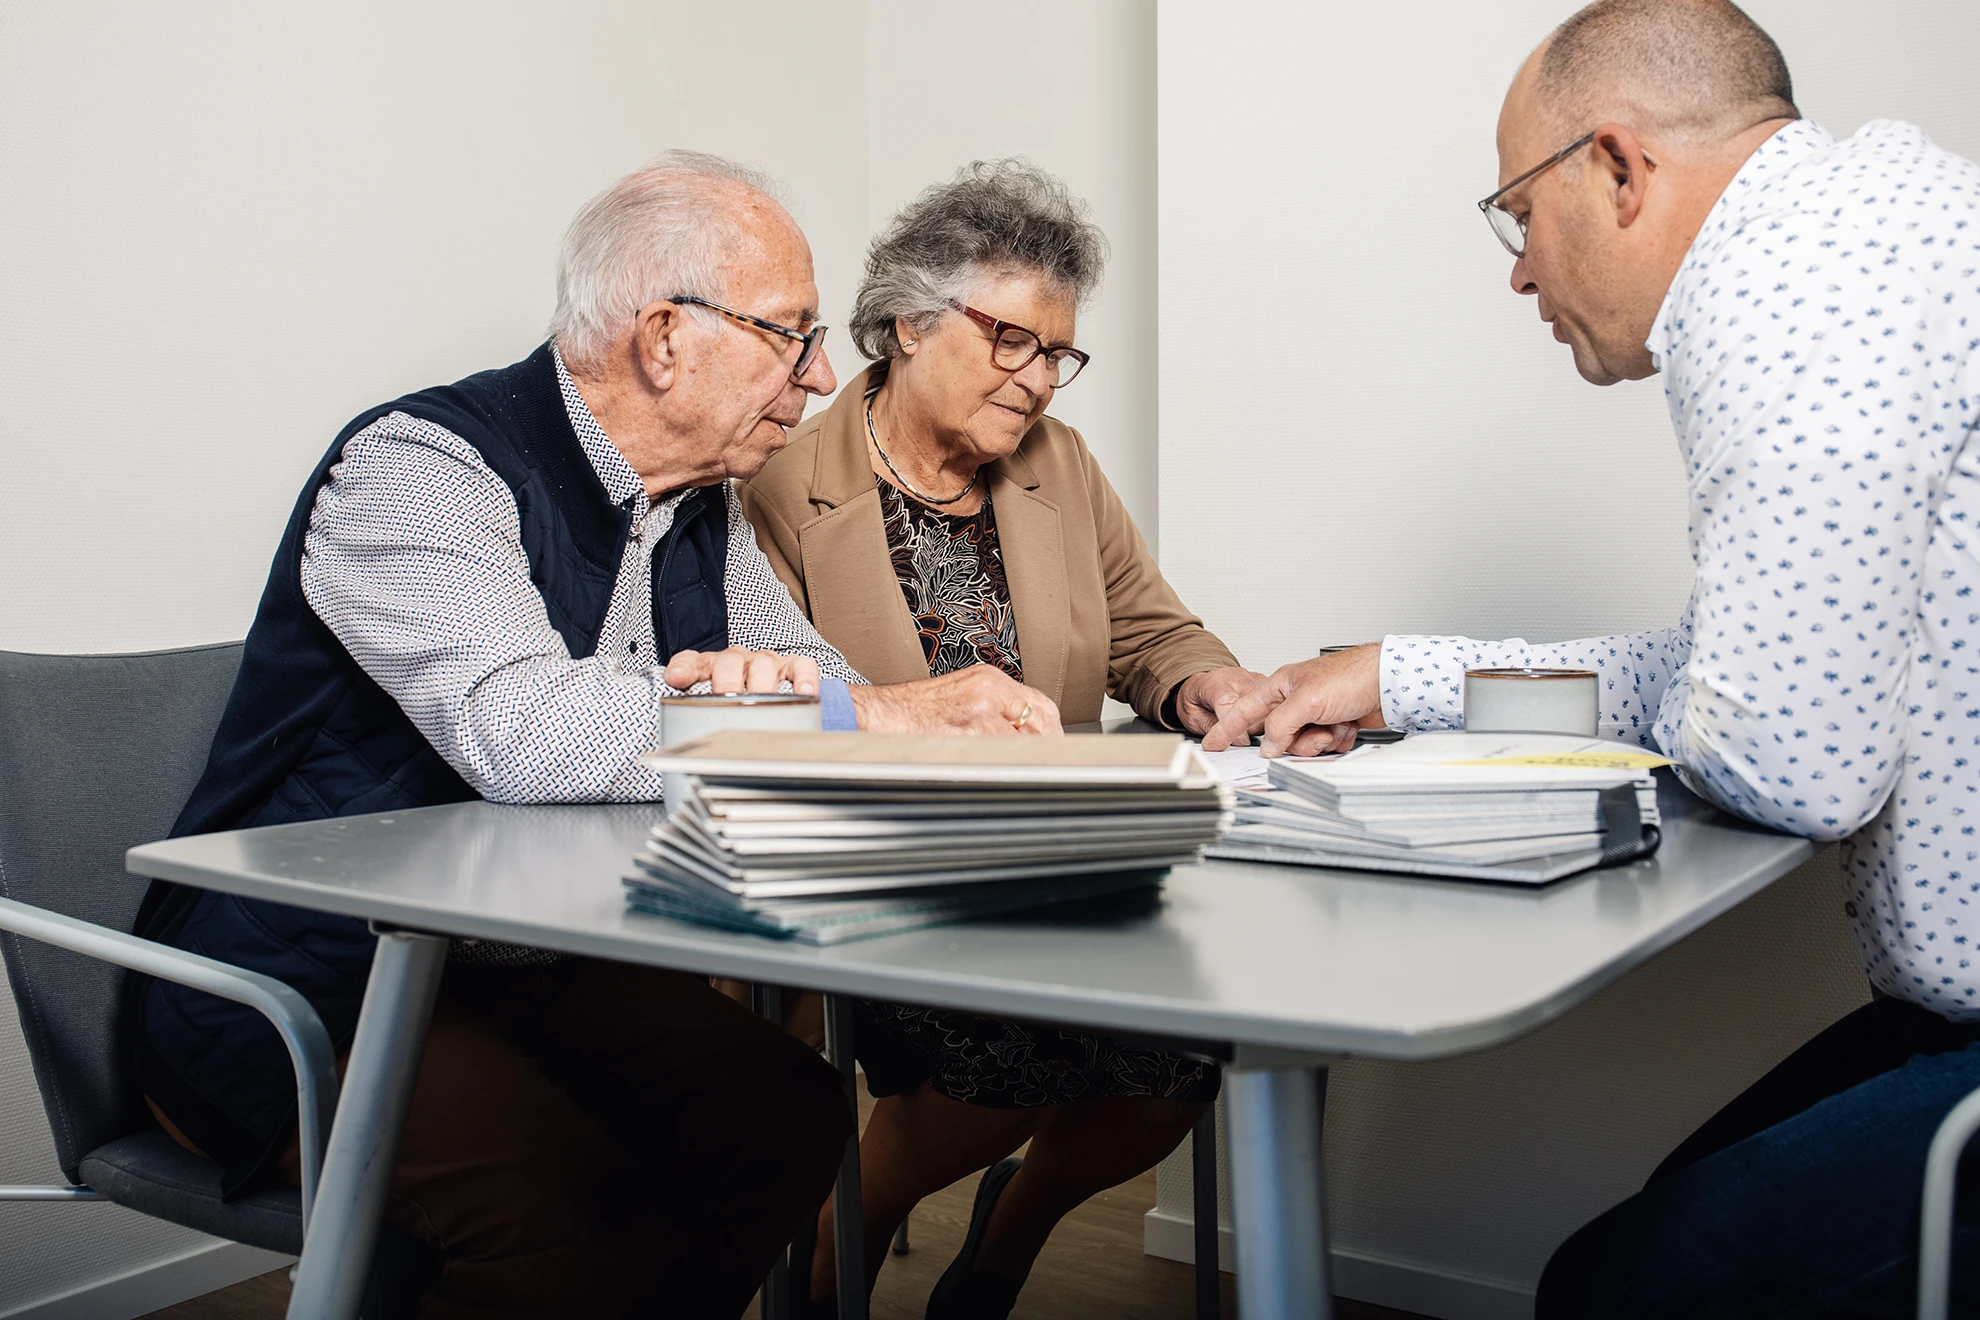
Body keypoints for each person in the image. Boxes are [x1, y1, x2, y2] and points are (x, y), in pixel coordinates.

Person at [131, 151, 1063, 1320]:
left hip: (513, 964)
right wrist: (849, 713)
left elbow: (810, 678)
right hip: (306, 980)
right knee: (566, 1208)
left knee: (789, 1119)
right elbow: (525, 734)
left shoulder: (697, 504)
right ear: (666, 336)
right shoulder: (419, 470)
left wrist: (797, 702)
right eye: (793, 333)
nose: (825, 375)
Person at [1204, 0, 1980, 1313]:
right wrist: (1395, 676)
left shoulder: (1792, 300)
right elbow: (1724, 673)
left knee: (1613, 1291)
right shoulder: (1876, 223)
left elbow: (1792, 764)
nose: (1518, 269)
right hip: (1948, 1020)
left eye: (1518, 210)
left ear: (1617, 168)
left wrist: (1709, 699)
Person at [740, 159, 1261, 1320]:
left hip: (1058, 861)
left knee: (1184, 1059)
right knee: (1017, 1054)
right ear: (908, 324)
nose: (1039, 384)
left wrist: (1208, 687)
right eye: (1012, 342)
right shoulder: (780, 487)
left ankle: (1005, 1245)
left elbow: (1149, 629)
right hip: (883, 878)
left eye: (1059, 355)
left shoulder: (1057, 467)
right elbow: (766, 720)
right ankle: (845, 1238)